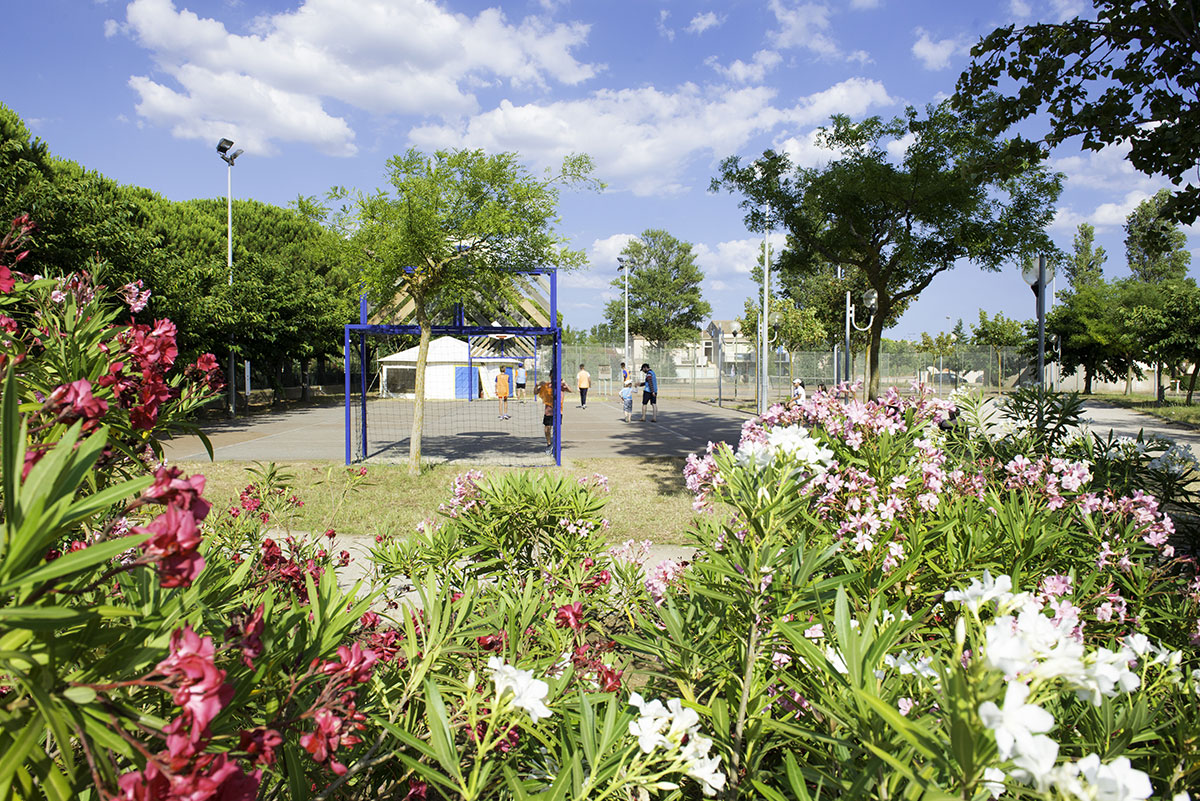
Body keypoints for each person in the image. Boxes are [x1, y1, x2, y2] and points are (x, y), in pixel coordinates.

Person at [535, 372, 571, 455]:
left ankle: (555, 445)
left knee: (556, 429)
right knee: (547, 428)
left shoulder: (560, 385)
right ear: (550, 376)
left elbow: (570, 390)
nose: (553, 378)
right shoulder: (546, 385)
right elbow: (535, 392)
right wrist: (537, 385)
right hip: (548, 411)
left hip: (558, 411)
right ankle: (549, 444)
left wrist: (564, 383)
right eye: (552, 376)